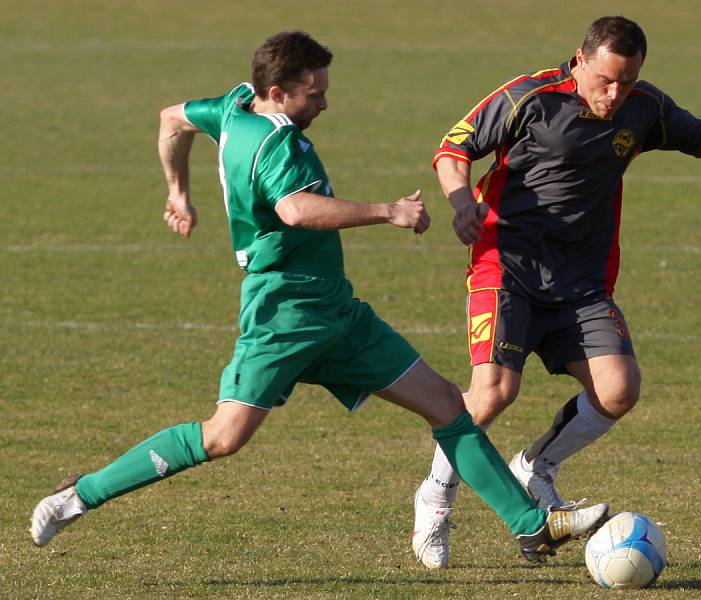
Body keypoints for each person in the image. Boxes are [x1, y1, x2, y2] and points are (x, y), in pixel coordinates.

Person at [29, 31, 609, 563]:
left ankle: (531, 524)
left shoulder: (233, 108)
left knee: (448, 407)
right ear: (278, 93)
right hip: (283, 313)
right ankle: (76, 497)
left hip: (337, 311)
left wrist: (178, 192)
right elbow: (295, 210)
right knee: (222, 437)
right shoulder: (281, 146)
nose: (324, 105)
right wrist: (391, 211)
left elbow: (170, 119)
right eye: (315, 94)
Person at [412, 15, 701, 569]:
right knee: (491, 394)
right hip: (506, 267)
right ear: (580, 60)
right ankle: (436, 497)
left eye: (627, 82)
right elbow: (453, 148)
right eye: (606, 80)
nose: (615, 95)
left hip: (582, 282)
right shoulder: (529, 97)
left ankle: (536, 467)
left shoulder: (644, 107)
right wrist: (462, 201)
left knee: (618, 389)